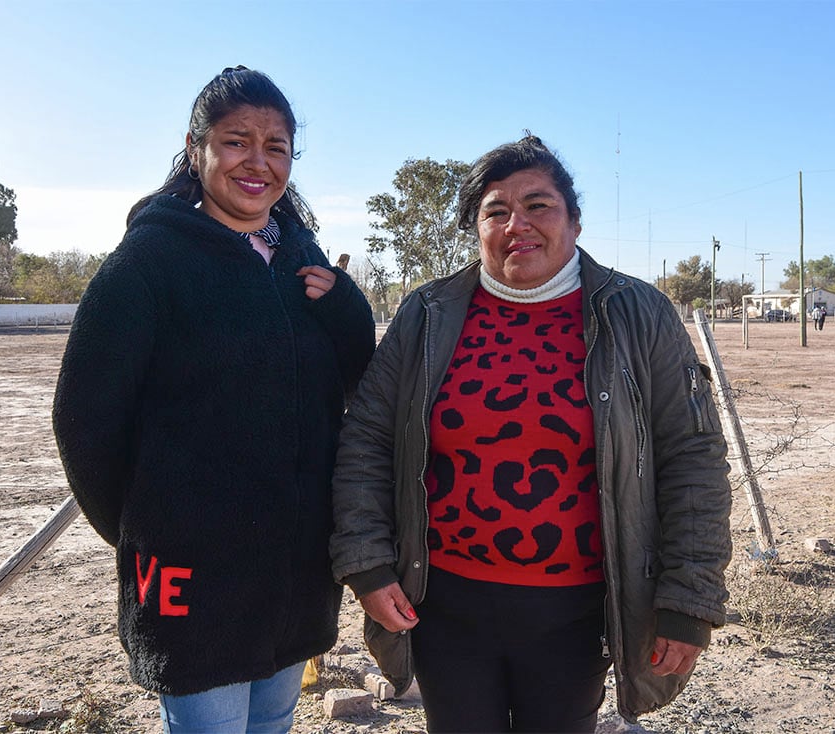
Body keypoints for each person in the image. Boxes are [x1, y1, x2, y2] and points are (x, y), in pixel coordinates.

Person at [329, 135, 733, 731]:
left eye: (538, 205)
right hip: (444, 606)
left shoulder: (637, 315)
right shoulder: (428, 315)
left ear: (573, 220)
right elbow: (365, 441)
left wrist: (689, 600)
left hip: (579, 612)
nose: (518, 224)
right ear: (476, 229)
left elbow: (693, 458)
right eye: (496, 211)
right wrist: (368, 566)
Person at [51, 67, 375, 733]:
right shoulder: (149, 263)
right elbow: (84, 422)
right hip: (193, 581)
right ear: (196, 147)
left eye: (277, 145)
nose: (258, 162)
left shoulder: (300, 259)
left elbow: (359, 391)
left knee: (274, 723)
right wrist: (150, 528)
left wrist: (348, 309)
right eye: (236, 141)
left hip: (294, 574)